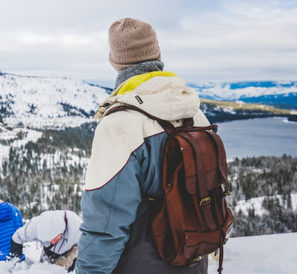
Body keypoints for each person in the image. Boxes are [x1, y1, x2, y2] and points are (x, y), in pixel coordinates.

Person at [75, 18, 210, 273]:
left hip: (141, 263)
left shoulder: (120, 124)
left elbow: (105, 224)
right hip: (193, 258)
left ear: (115, 61)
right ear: (157, 54)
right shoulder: (194, 113)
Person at [9, 210, 82, 272]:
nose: (53, 242)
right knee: (43, 269)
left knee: (61, 269)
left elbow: (87, 247)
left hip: (70, 248)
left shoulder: (76, 226)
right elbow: (16, 238)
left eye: (55, 238)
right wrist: (16, 262)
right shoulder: (34, 226)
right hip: (48, 250)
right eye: (49, 240)